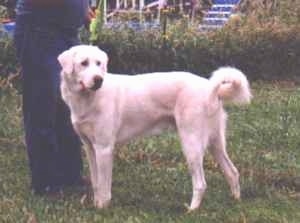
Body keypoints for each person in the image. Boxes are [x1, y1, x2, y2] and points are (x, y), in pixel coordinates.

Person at [13, 0, 93, 195]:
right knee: (42, 106)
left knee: (68, 107)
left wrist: (83, 8)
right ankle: (45, 182)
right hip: (39, 32)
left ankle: (70, 176)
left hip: (66, 34)